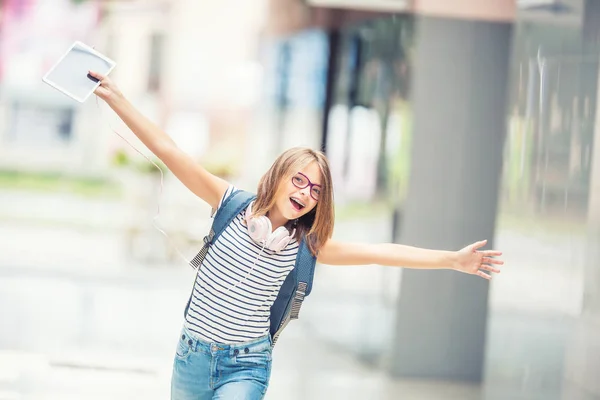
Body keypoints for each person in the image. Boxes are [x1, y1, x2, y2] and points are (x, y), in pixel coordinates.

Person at [89, 70, 503, 400]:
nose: (305, 193)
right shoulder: (229, 203)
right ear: (279, 177)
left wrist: (451, 259)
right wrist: (118, 99)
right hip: (191, 357)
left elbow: (379, 251)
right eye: (299, 181)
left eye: (316, 190)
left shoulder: (309, 245)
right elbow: (170, 151)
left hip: (246, 365)